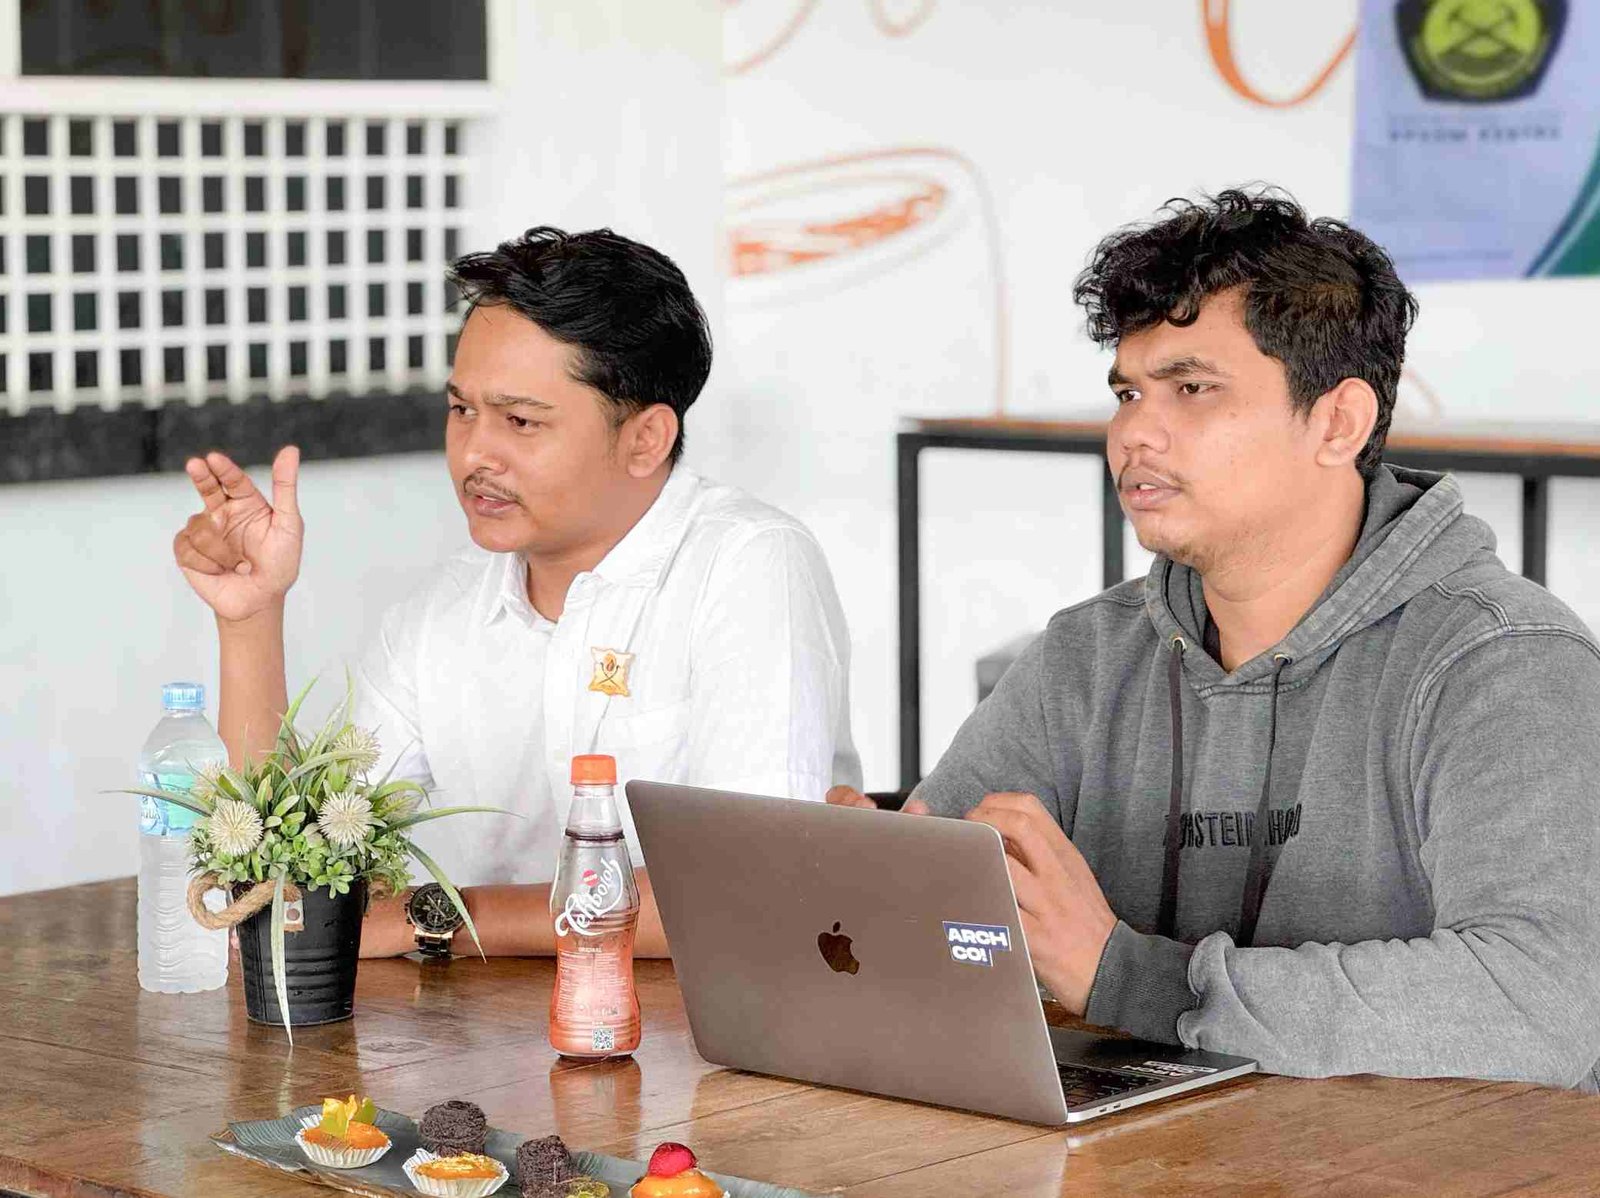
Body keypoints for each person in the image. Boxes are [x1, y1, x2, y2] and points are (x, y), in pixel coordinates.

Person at [831, 188, 1600, 1089]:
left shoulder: (1503, 664)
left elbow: (1541, 1004)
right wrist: (875, 890)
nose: (1133, 433)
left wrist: (1132, 978)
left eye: (1191, 389)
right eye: (1127, 393)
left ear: (1338, 423)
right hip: (1150, 1147)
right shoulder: (1086, 656)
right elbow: (947, 912)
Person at [173, 226, 861, 959]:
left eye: (521, 421)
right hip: (487, 1018)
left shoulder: (748, 565)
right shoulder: (443, 609)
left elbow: (748, 896)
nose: (474, 453)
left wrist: (436, 917)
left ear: (645, 439)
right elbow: (283, 875)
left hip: (702, 1023)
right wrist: (251, 618)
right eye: (461, 410)